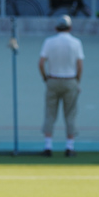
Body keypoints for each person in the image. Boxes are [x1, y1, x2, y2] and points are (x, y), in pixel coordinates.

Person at [39, 15, 84, 157]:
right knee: (70, 114)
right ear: (70, 27)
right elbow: (80, 65)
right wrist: (77, 81)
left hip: (53, 79)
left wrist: (45, 77)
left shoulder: (49, 42)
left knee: (50, 113)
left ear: (56, 28)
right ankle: (69, 147)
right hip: (70, 80)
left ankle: (48, 146)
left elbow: (41, 62)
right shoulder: (76, 42)